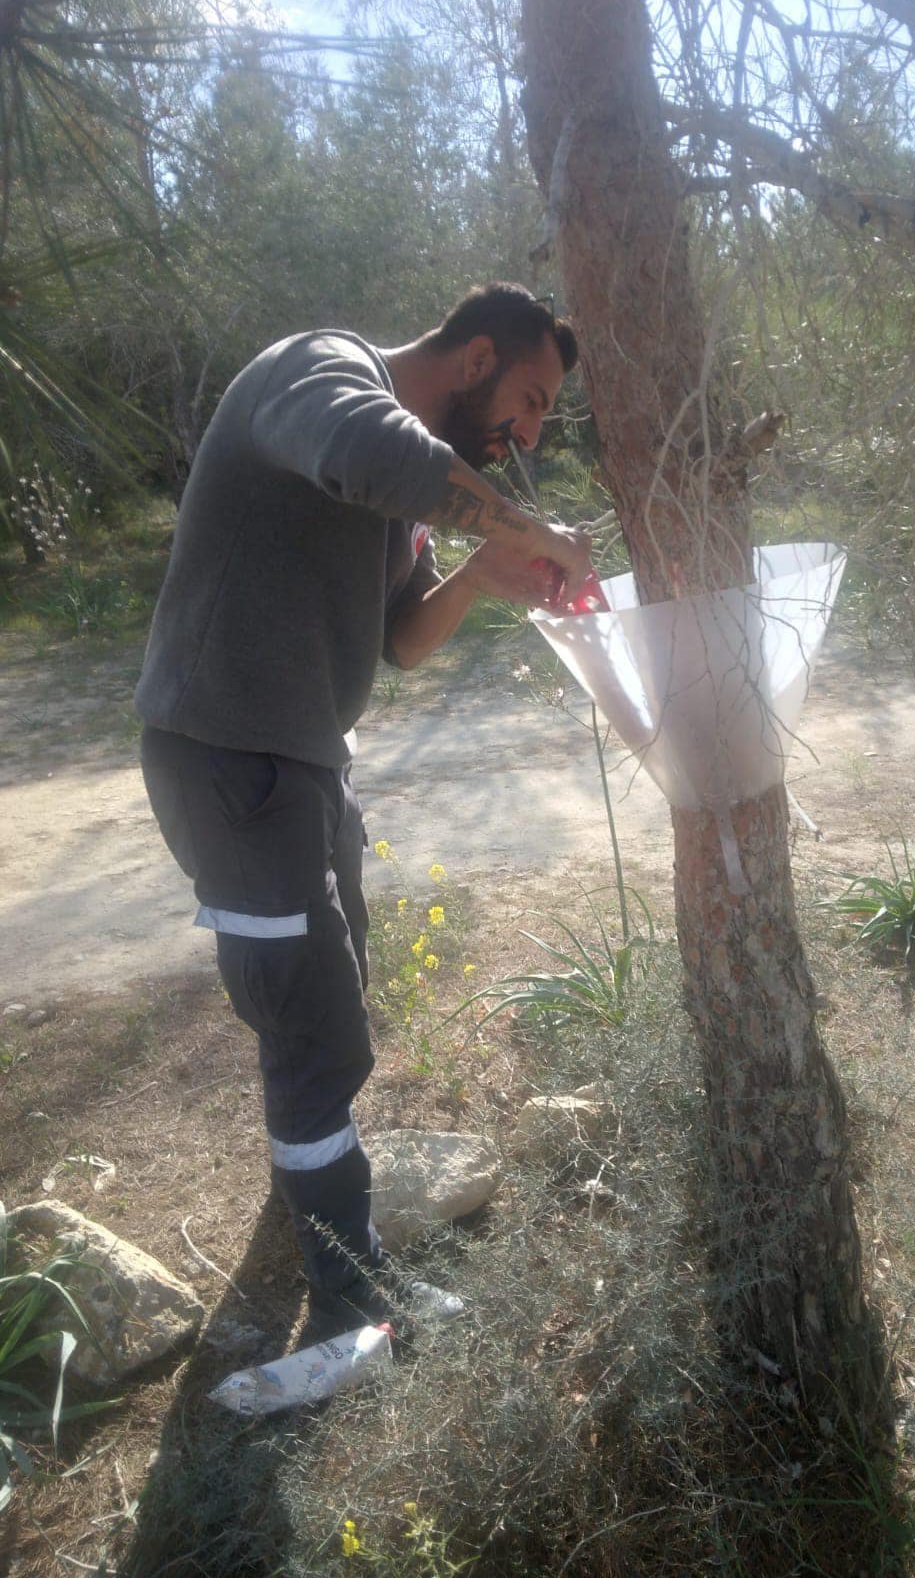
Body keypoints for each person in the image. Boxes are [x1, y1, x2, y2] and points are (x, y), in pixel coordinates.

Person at [135, 283, 591, 1333]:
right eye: (528, 399)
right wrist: (531, 528)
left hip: (301, 762)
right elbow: (369, 453)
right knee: (315, 1022)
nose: (528, 435)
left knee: (338, 981)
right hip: (226, 758)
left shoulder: (409, 479)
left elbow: (400, 639)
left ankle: (306, 1186)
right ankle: (351, 1286)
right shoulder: (321, 370)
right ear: (474, 357)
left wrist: (480, 569)